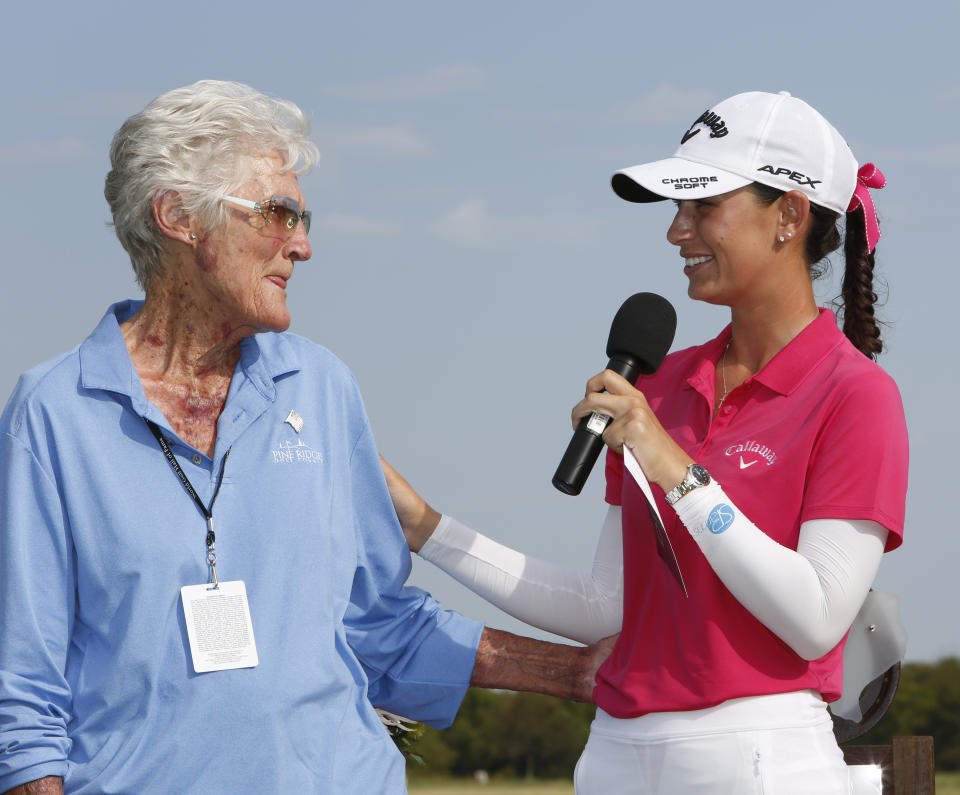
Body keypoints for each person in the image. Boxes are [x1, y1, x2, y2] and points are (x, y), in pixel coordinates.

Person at [0, 80, 605, 795]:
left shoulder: (321, 388)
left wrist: (580, 672)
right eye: (278, 213)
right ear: (178, 216)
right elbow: (24, 694)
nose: (304, 245)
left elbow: (379, 627)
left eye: (302, 217)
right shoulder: (55, 411)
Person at [383, 90, 908, 793]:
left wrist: (674, 469)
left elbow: (815, 619)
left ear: (788, 214)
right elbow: (609, 607)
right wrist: (427, 529)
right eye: (675, 210)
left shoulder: (857, 395)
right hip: (616, 753)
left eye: (702, 207)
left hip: (761, 756)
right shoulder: (659, 389)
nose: (676, 232)